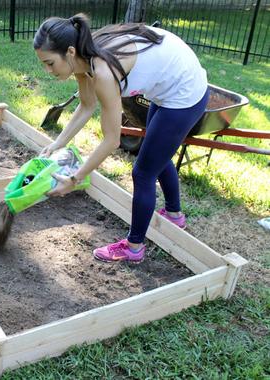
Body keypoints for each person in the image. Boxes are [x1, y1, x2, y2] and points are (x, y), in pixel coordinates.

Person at [34, 13, 209, 263]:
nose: (47, 70)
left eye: (50, 63)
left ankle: (134, 247)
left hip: (184, 91)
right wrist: (56, 143)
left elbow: (111, 140)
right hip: (167, 84)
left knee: (142, 172)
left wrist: (75, 178)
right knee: (156, 152)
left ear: (69, 52)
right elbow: (86, 106)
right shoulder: (82, 60)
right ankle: (174, 215)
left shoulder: (103, 72)